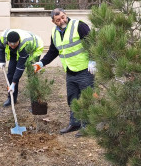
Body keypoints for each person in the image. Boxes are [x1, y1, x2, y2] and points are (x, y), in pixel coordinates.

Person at [33, 8, 96, 137]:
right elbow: (53, 51)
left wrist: (93, 59)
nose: (62, 20)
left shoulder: (79, 26)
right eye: (58, 19)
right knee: (72, 98)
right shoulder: (55, 33)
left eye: (63, 17)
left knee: (87, 98)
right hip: (70, 71)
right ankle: (75, 123)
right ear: (53, 21)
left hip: (85, 69)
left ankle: (88, 127)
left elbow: (92, 42)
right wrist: (41, 63)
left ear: (65, 14)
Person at [0, 29, 44, 107]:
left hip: (33, 50)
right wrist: (2, 60)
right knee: (10, 73)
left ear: (18, 41)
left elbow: (20, 67)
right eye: (10, 44)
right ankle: (12, 98)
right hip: (16, 52)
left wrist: (13, 83)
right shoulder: (4, 38)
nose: (12, 46)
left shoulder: (25, 44)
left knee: (31, 75)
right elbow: (1, 47)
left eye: (14, 44)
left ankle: (35, 102)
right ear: (7, 41)